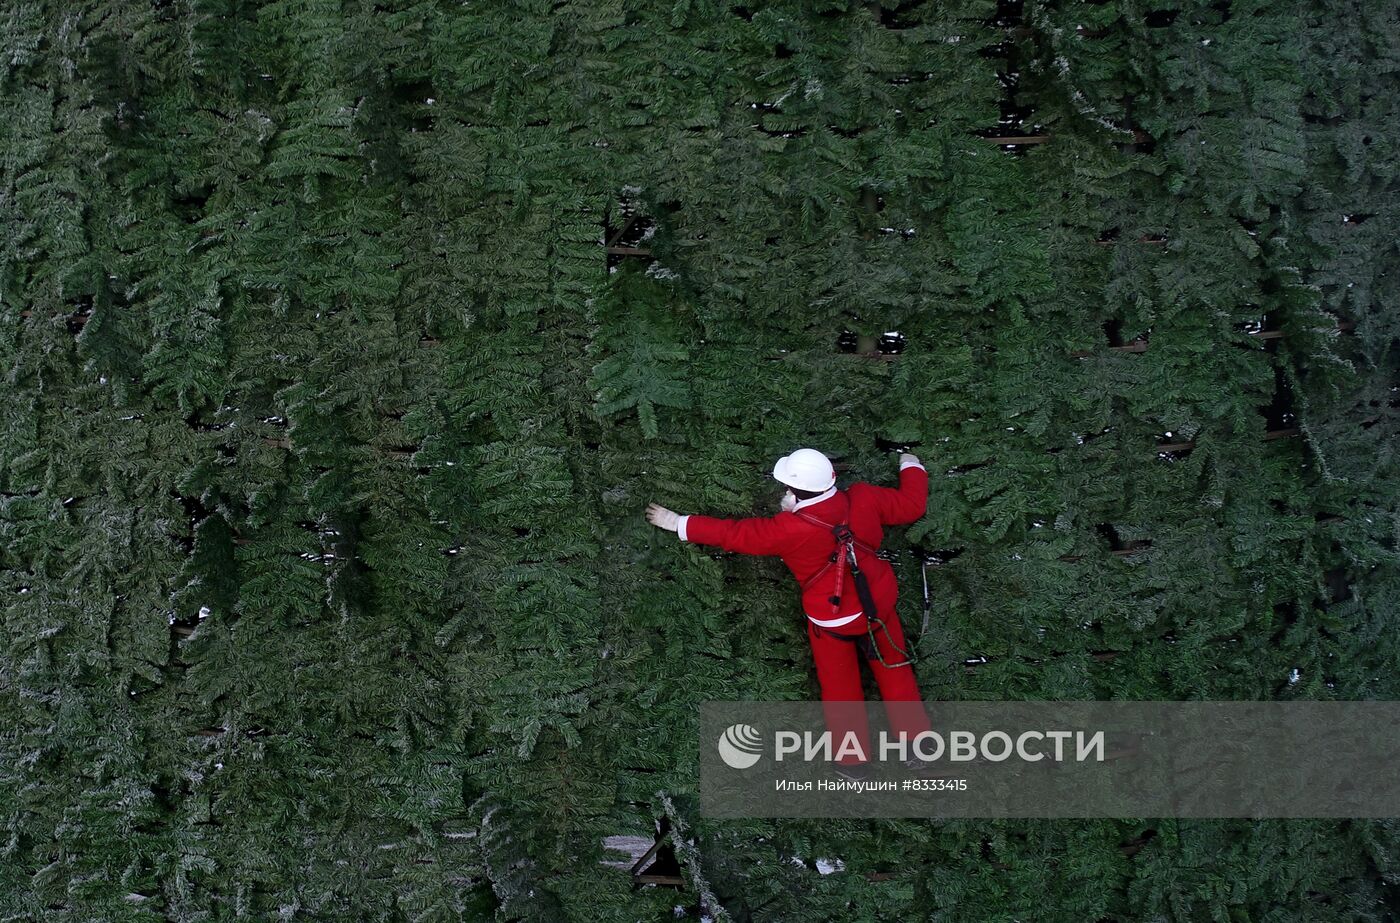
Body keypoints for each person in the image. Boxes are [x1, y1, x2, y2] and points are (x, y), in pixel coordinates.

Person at [646, 448, 931, 779]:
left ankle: (853, 763)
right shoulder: (864, 497)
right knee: (895, 672)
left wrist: (678, 522)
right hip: (877, 608)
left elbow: (734, 534)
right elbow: (912, 505)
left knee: (841, 689)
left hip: (832, 620)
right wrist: (911, 464)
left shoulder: (787, 528)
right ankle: (916, 747)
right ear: (832, 479)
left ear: (795, 492)